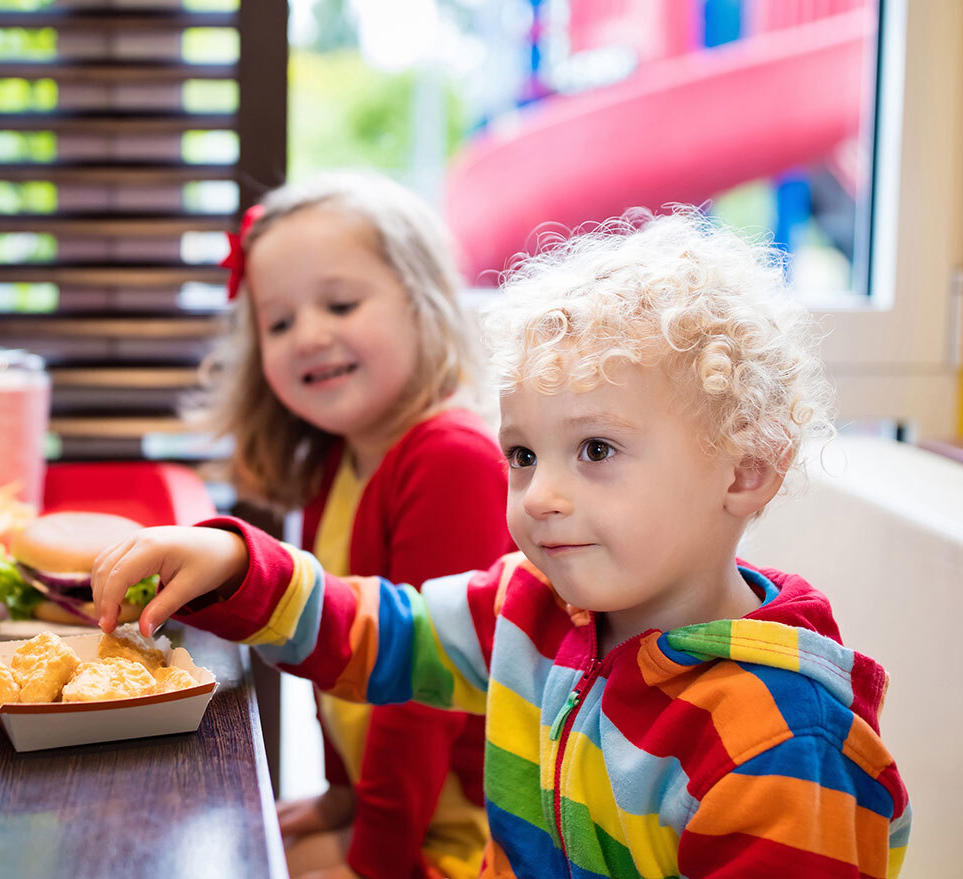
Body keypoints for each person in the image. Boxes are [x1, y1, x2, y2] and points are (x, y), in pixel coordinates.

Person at [95, 209, 912, 878]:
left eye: (595, 450)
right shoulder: (531, 607)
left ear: (745, 472)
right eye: (523, 454)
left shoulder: (782, 748)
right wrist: (239, 565)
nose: (541, 495)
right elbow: (386, 632)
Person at [197, 171, 515, 879]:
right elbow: (334, 654)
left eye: (340, 303)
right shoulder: (335, 460)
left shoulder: (452, 459)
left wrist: (376, 857)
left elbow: (419, 692)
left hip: (475, 838)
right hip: (403, 813)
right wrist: (346, 798)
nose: (308, 334)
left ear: (421, 303)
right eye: (277, 321)